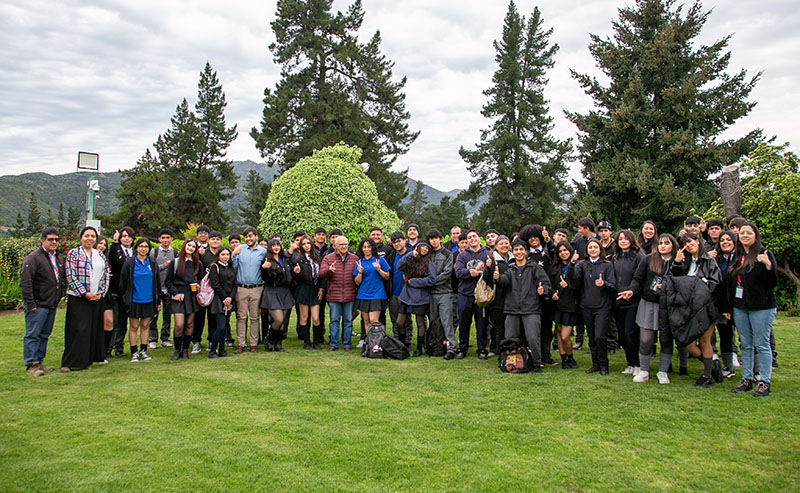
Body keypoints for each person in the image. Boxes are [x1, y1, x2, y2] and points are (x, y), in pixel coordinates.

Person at [619, 233, 683, 383]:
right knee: (646, 339)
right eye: (660, 243)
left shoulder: (678, 260)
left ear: (673, 245)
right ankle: (644, 370)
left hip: (668, 305)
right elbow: (638, 279)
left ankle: (662, 371)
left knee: (666, 339)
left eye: (666, 243)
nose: (663, 246)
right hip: (648, 303)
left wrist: (678, 264)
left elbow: (681, 282)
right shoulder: (649, 259)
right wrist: (632, 290)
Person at [728, 223, 777, 397]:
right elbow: (731, 282)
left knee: (761, 344)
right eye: (742, 233)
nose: (745, 236)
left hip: (761, 306)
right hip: (741, 306)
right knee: (746, 344)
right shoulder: (737, 255)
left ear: (755, 236)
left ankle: (764, 380)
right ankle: (746, 378)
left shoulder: (764, 253)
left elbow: (772, 283)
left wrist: (768, 266)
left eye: (749, 233)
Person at [492, 240, 552, 373]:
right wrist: (497, 278)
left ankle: (536, 363)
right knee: (510, 338)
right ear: (512, 252)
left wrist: (544, 291)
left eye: (521, 250)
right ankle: (510, 363)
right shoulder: (511, 270)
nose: (518, 252)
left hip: (531, 308)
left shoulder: (535, 268)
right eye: (516, 250)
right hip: (512, 309)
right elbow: (504, 281)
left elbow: (546, 284)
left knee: (532, 337)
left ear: (526, 252)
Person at [672, 232, 724, 387]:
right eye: (685, 243)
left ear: (698, 241)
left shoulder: (709, 261)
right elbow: (676, 280)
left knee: (704, 340)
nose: (688, 245)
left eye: (690, 241)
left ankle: (707, 375)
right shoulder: (686, 261)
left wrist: (701, 283)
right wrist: (677, 263)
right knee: (686, 341)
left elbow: (715, 283)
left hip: (706, 307)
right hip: (688, 307)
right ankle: (713, 364)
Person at [61, 226, 110, 372]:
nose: (90, 239)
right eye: (87, 236)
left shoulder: (99, 255)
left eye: (93, 236)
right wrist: (84, 293)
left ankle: (87, 360)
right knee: (78, 329)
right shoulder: (73, 254)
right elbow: (70, 276)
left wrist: (101, 292)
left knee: (92, 329)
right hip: (79, 298)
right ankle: (70, 362)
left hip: (96, 298)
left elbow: (106, 274)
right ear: (81, 237)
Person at [19, 227, 65, 376]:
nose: (54, 242)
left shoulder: (57, 257)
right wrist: (31, 304)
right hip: (37, 304)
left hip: (50, 303)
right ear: (42, 240)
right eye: (50, 239)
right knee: (33, 334)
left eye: (56, 239)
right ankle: (31, 365)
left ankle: (39, 361)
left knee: (44, 334)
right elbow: (26, 283)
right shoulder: (33, 258)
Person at [571, 238, 617, 375]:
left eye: (595, 247)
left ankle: (604, 364)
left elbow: (613, 285)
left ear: (600, 249)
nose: (593, 250)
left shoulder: (607, 265)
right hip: (587, 306)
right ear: (586, 250)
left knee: (599, 336)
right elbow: (575, 280)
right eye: (590, 248)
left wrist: (604, 284)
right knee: (591, 338)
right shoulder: (583, 264)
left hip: (602, 306)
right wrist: (573, 264)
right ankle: (595, 364)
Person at [119, 237, 160, 362]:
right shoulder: (130, 262)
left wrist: (157, 301)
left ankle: (143, 350)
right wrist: (126, 298)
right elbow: (123, 282)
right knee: (134, 326)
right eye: (141, 246)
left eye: (146, 247)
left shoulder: (152, 262)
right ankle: (134, 352)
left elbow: (157, 282)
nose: (143, 249)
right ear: (136, 248)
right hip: (134, 299)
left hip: (149, 299)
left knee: (145, 324)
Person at [613, 230, 645, 375]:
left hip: (633, 301)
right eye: (620, 239)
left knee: (630, 333)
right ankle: (630, 363)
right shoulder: (615, 257)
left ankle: (638, 364)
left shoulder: (638, 257)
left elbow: (639, 278)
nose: (623, 241)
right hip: (617, 302)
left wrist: (632, 291)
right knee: (622, 335)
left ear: (631, 241)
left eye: (626, 239)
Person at [454, 229, 489, 359]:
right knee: (463, 322)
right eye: (469, 237)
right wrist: (471, 272)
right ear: (467, 241)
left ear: (479, 238)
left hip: (481, 295)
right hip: (465, 293)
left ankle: (481, 350)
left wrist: (481, 271)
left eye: (474, 236)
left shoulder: (487, 254)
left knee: (481, 323)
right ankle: (462, 348)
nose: (472, 239)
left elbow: (491, 273)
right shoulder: (462, 256)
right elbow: (458, 272)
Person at [396, 241, 436, 356]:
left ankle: (419, 348)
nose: (424, 249)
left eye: (427, 248)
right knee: (400, 322)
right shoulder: (410, 258)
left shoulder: (428, 263)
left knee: (420, 322)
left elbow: (432, 279)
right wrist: (410, 255)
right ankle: (402, 346)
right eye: (422, 246)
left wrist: (414, 282)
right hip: (406, 295)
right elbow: (399, 266)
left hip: (420, 296)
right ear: (417, 248)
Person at [164, 238, 201, 360]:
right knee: (179, 324)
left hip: (191, 295)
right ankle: (177, 349)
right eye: (189, 245)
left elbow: (201, 280)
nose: (190, 248)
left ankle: (185, 350)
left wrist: (198, 285)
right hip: (179, 295)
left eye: (193, 247)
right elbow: (168, 281)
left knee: (190, 324)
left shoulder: (197, 264)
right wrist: (175, 293)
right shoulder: (175, 263)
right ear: (184, 246)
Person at [320, 236, 358, 351]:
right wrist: (329, 270)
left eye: (345, 244)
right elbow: (321, 273)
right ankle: (334, 344)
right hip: (334, 295)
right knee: (334, 321)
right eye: (341, 244)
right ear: (335, 246)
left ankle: (347, 344)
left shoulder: (354, 258)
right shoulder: (328, 258)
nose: (344, 246)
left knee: (348, 321)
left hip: (349, 294)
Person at [232, 227, 266, 354]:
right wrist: (234, 255)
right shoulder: (240, 249)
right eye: (246, 236)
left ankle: (253, 344)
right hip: (241, 288)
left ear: (256, 237)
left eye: (251, 236)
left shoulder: (263, 251)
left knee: (254, 317)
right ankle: (241, 344)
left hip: (257, 288)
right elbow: (233, 266)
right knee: (241, 317)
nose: (248, 239)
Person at [260, 239, 295, 352]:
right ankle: (269, 339)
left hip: (284, 291)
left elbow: (290, 274)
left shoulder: (285, 259)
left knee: (284, 321)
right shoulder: (267, 260)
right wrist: (265, 269)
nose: (276, 247)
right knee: (278, 319)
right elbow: (266, 278)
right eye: (273, 245)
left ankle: (278, 343)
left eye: (278, 245)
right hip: (272, 291)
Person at [549, 241, 579, 369]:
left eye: (565, 250)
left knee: (565, 335)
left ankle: (570, 356)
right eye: (560, 251)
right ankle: (564, 358)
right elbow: (549, 284)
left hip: (571, 304)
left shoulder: (577, 265)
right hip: (558, 304)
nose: (563, 253)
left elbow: (580, 285)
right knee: (559, 332)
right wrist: (552, 294)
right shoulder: (554, 267)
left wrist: (569, 286)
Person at [291, 235, 325, 350]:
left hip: (315, 289)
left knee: (316, 318)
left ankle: (316, 342)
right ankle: (306, 342)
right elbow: (296, 278)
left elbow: (322, 275)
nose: (306, 246)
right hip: (303, 288)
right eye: (304, 244)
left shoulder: (317, 256)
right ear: (301, 246)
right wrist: (297, 273)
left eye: (308, 243)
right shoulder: (298, 258)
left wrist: (321, 288)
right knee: (304, 317)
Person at [427, 229, 457, 359]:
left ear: (440, 239)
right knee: (433, 321)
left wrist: (431, 281)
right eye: (431, 238)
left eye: (436, 238)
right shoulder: (426, 254)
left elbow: (447, 273)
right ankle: (434, 345)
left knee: (447, 322)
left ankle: (451, 348)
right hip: (430, 293)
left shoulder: (447, 254)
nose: (434, 240)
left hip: (445, 292)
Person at [107, 226, 135, 357]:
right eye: (124, 236)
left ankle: (119, 348)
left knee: (123, 322)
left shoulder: (135, 252)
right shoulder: (115, 250)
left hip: (128, 292)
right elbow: (112, 259)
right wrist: (114, 242)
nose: (126, 238)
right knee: (112, 321)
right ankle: (107, 348)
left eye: (129, 236)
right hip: (115, 291)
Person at [715, 231, 739, 378]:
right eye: (722, 240)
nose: (725, 242)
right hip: (721, 303)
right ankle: (728, 367)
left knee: (748, 336)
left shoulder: (740, 258)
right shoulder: (716, 259)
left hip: (739, 302)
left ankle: (757, 370)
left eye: (729, 240)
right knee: (725, 334)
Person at [484, 235, 511, 357]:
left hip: (513, 298)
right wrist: (488, 268)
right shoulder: (492, 259)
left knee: (511, 327)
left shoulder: (514, 258)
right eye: (501, 244)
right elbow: (487, 280)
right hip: (498, 299)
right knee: (498, 328)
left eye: (506, 243)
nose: (504, 246)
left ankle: (511, 348)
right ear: (496, 246)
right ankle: (498, 350)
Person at [353, 238, 390, 326]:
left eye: (369, 247)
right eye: (364, 247)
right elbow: (357, 282)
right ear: (361, 249)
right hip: (363, 294)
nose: (366, 249)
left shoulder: (380, 260)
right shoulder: (359, 262)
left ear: (372, 248)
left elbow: (387, 276)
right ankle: (369, 340)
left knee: (374, 320)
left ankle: (376, 339)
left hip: (377, 293)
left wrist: (379, 270)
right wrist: (360, 272)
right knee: (366, 321)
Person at [148, 228, 175, 349]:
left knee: (167, 315)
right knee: (154, 314)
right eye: (163, 238)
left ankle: (165, 338)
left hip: (168, 288)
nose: (165, 240)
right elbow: (150, 270)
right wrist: (164, 266)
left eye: (167, 238)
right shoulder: (153, 252)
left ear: (171, 239)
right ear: (159, 239)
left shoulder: (175, 252)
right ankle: (152, 338)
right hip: (156, 288)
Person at [208, 246, 236, 358]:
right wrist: (225, 297)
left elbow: (235, 285)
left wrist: (231, 298)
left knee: (225, 326)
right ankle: (212, 350)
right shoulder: (214, 267)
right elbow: (215, 284)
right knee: (220, 326)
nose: (225, 257)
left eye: (227, 255)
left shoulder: (231, 268)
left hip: (229, 300)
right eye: (223, 254)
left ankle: (222, 350)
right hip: (218, 300)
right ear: (218, 256)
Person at [387, 231, 412, 347]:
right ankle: (397, 341)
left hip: (407, 292)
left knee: (406, 320)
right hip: (394, 292)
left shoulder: (411, 255)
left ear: (404, 240)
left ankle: (407, 341)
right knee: (394, 319)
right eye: (394, 242)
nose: (397, 244)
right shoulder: (392, 256)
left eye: (399, 241)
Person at [95, 236, 116, 356]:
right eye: (100, 243)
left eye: (104, 245)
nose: (102, 246)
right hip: (91, 293)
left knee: (109, 321)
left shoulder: (104, 259)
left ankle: (105, 351)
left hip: (105, 293)